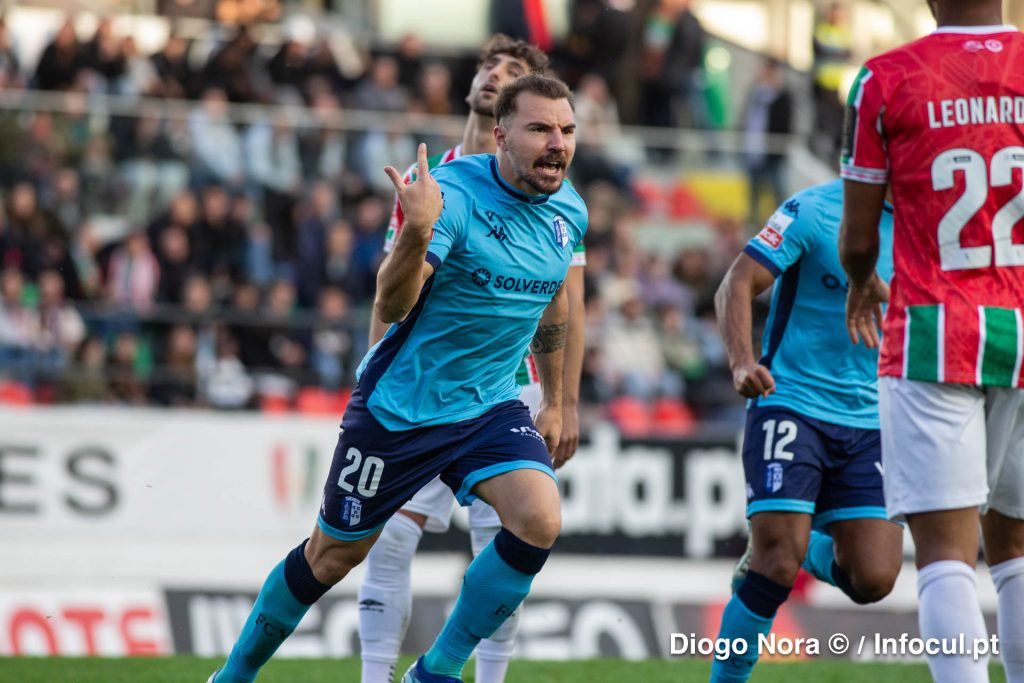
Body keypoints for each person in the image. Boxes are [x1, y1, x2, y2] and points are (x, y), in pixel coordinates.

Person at [208, 73, 586, 683]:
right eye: (540, 128)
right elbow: (392, 302)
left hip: (489, 405)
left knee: (538, 518)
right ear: (500, 135)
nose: (557, 144)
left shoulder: (570, 209)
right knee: (332, 557)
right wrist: (415, 233)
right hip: (403, 408)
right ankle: (232, 677)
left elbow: (555, 303)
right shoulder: (455, 197)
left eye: (566, 130)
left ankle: (435, 671)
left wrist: (557, 399)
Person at [360, 35, 585, 683]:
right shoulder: (432, 179)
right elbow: (391, 286)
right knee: (390, 536)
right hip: (420, 388)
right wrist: (371, 371)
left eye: (514, 70)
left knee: (507, 539)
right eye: (490, 64)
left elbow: (567, 306)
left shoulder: (558, 195)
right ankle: (380, 675)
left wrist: (563, 400)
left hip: (506, 392)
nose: (496, 73)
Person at [839, 2, 1024, 682]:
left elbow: (859, 240)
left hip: (931, 333)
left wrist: (862, 280)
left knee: (947, 556)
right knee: (1017, 550)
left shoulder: (884, 78)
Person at [710, 180, 902, 682]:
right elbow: (737, 282)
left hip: (875, 419)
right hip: (790, 401)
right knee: (776, 564)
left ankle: (804, 548)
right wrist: (741, 362)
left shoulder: (930, 224)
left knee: (875, 578)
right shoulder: (814, 209)